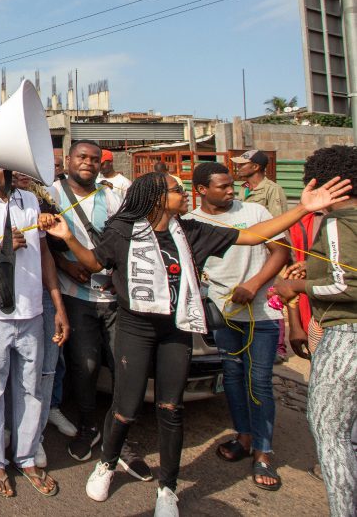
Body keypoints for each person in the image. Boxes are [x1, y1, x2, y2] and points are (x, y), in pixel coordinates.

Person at [40, 170, 349, 516]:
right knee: (125, 408)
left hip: (177, 330)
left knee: (171, 409)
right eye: (177, 190)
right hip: (134, 328)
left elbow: (253, 235)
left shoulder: (191, 232)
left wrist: (302, 209)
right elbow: (95, 262)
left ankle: (167, 489)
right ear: (157, 198)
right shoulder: (122, 230)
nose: (184, 194)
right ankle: (107, 463)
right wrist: (67, 237)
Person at [0, 167, 68, 499]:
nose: (9, 170)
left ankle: (26, 458)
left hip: (32, 312)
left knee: (31, 389)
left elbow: (45, 254)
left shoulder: (32, 201)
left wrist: (57, 305)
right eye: (1, 163)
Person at [49, 141, 150, 478]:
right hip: (75, 297)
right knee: (86, 366)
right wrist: (64, 265)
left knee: (125, 368)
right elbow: (40, 246)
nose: (88, 164)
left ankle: (121, 438)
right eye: (82, 157)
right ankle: (89, 426)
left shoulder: (113, 198)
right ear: (68, 160)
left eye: (94, 159)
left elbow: (128, 243)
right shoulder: (50, 195)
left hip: (113, 300)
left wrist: (117, 278)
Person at [186, 162, 289, 490]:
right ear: (202, 190)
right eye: (223, 186)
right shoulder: (192, 222)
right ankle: (243, 438)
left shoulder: (256, 212)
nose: (232, 190)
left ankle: (264, 451)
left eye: (232, 184)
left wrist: (256, 284)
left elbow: (280, 251)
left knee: (259, 381)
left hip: (261, 313)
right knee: (231, 375)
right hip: (223, 312)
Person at [273, 145, 357, 517]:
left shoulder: (340, 221)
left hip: (347, 336)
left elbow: (348, 285)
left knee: (331, 432)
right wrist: (313, 270)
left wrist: (297, 288)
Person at [231, 149, 290, 361]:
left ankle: (278, 347)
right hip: (248, 252)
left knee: (273, 298)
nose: (238, 168)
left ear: (255, 167)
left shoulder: (272, 190)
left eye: (242, 164)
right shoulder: (242, 190)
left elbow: (278, 222)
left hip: (269, 252)